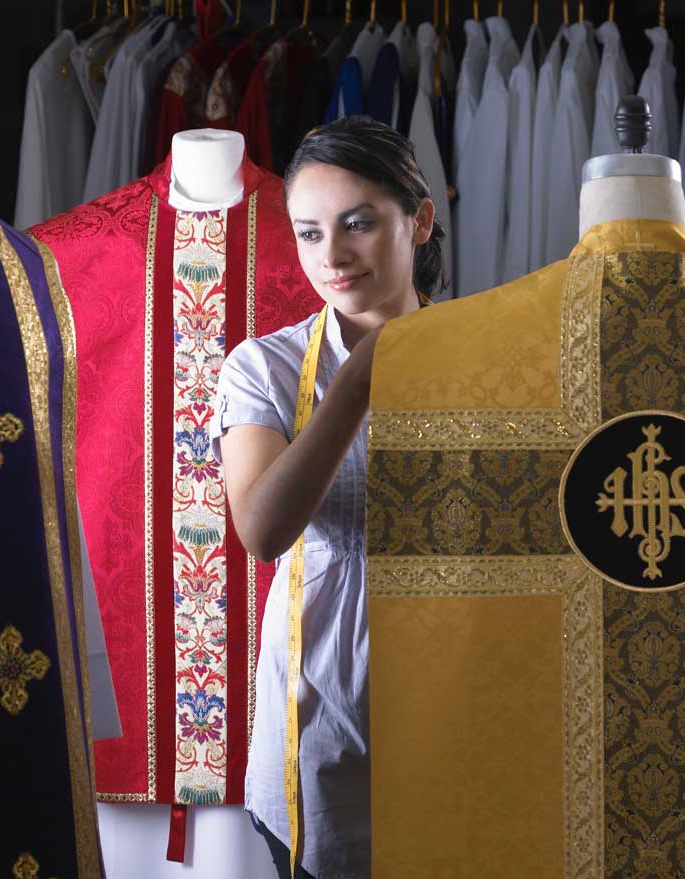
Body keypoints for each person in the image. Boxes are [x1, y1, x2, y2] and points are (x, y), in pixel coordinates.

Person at [209, 115, 444, 879]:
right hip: (321, 721)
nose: (332, 255)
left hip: (457, 702)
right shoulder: (264, 370)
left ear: (419, 220)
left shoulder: (485, 359)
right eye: (310, 233)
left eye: (358, 224)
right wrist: (356, 383)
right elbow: (263, 529)